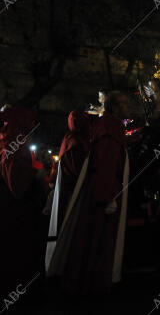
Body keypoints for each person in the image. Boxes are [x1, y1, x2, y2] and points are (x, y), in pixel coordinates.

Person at [46, 91, 131, 296]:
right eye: (125, 104)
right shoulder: (109, 128)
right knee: (97, 241)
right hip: (104, 194)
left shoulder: (106, 126)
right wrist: (107, 196)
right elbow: (105, 162)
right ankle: (93, 286)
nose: (129, 108)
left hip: (101, 190)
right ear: (115, 107)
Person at [0, 106, 45, 300]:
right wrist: (36, 172)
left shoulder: (13, 140)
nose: (33, 124)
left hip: (12, 211)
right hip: (17, 214)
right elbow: (17, 184)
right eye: (30, 120)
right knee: (18, 255)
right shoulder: (15, 143)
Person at [45, 110, 91, 269]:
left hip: (69, 190)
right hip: (74, 192)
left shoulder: (70, 139)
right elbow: (78, 171)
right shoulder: (76, 142)